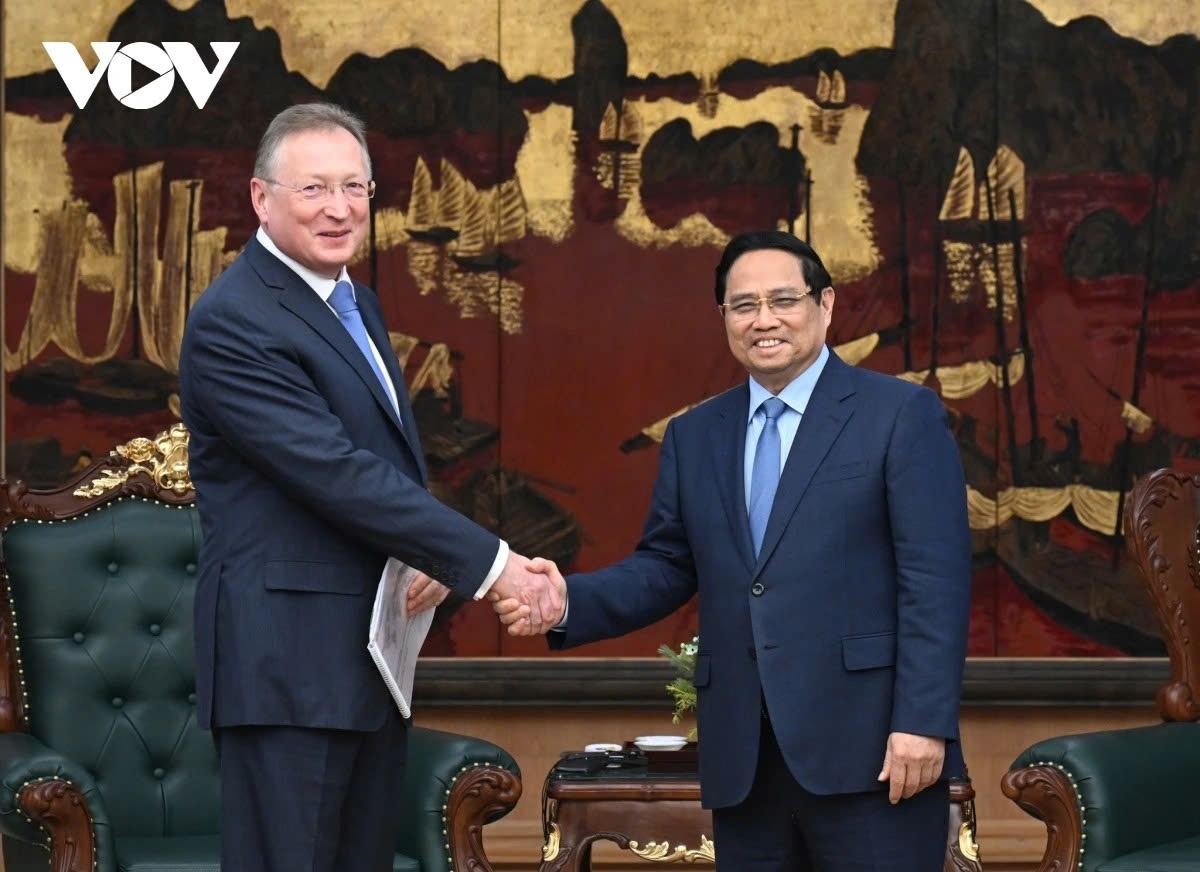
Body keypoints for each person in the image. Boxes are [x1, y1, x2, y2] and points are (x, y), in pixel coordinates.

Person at [494, 230, 973, 871]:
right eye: (743, 305)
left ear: (825, 305)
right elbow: (666, 566)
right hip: (744, 758)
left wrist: (922, 722)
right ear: (723, 318)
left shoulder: (899, 415)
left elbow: (934, 582)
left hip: (875, 752)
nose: (764, 320)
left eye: (784, 300)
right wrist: (564, 603)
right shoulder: (697, 434)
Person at [178, 102, 560, 872]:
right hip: (287, 673)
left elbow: (375, 469)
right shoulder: (236, 320)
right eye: (315, 188)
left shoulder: (352, 301)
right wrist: (492, 566)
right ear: (261, 197)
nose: (340, 208)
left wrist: (418, 554)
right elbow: (333, 472)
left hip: (363, 666)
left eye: (356, 188)